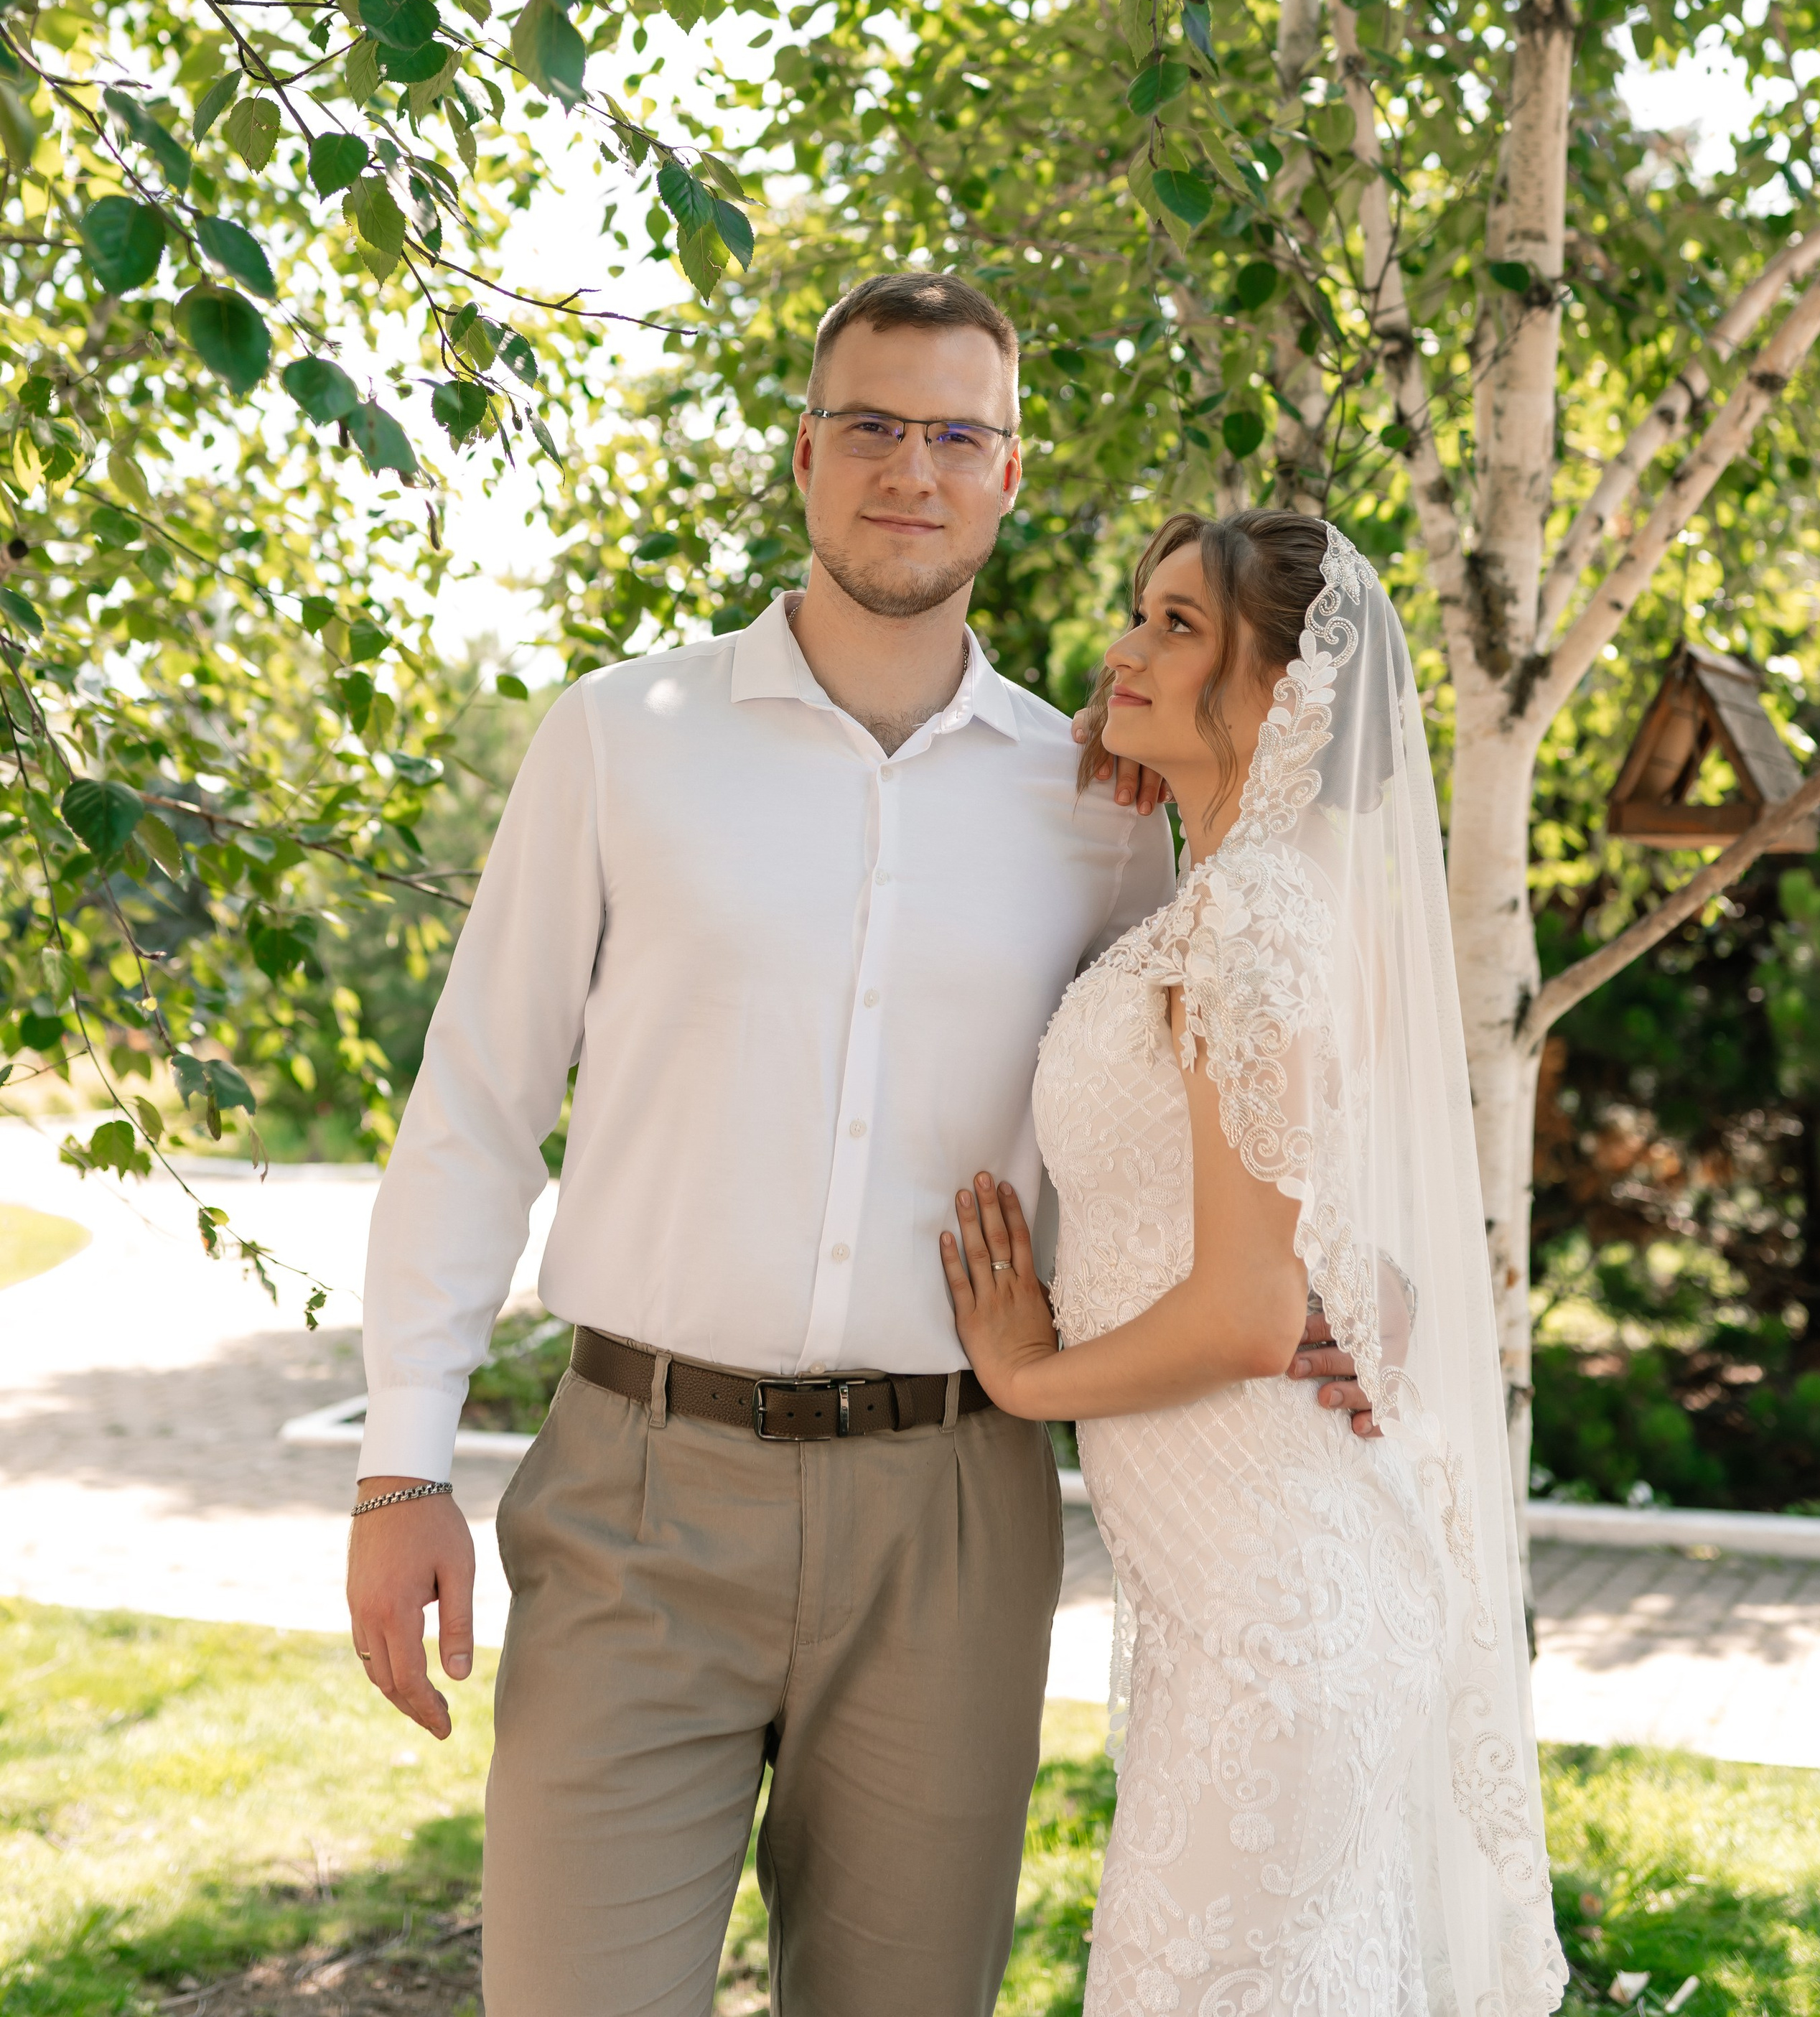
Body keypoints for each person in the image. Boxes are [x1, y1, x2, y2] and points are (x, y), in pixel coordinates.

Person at [345, 276, 1364, 2017]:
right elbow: (474, 1105)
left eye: (957, 432)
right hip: (636, 1496)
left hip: (951, 1512)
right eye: (873, 424)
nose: (912, 467)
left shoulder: (1094, 804)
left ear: (1009, 472)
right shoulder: (620, 738)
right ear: (806, 453)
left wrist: (1321, 1285)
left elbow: (1178, 1115)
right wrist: (399, 1465)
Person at [943, 510, 1569, 2017]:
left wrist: (1025, 1374)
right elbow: (1307, 1219)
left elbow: (1245, 1308)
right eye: (1137, 613)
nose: (1122, 649)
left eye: (1175, 625)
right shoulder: (1241, 898)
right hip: (1262, 1603)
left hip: (1277, 1620)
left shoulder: (1253, 919)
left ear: (1283, 686)